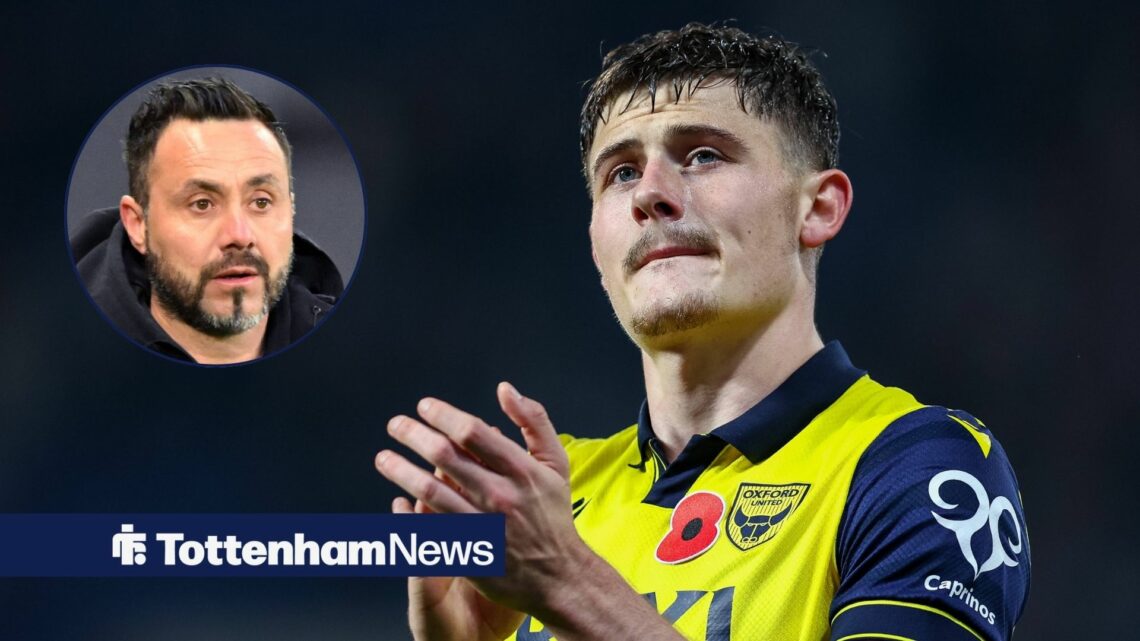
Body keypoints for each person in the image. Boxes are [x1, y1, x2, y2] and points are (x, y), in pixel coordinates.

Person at [375, 23, 1030, 641]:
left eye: (704, 155)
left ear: (818, 208)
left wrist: (572, 587)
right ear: (596, 245)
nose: (649, 194)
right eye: (621, 172)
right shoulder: (549, 493)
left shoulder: (919, 467)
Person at [71, 77, 342, 365]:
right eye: (202, 204)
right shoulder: (61, 367)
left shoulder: (353, 361)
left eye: (260, 202)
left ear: (290, 211)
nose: (239, 235)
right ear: (138, 225)